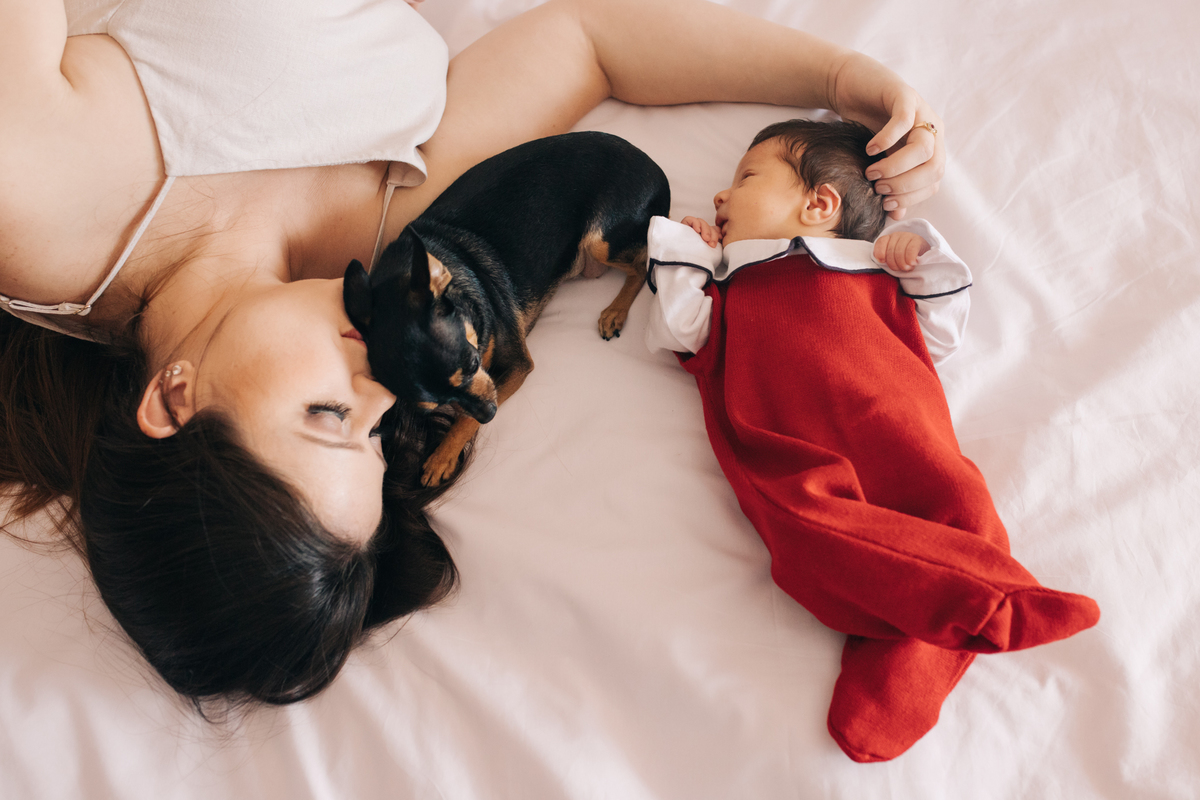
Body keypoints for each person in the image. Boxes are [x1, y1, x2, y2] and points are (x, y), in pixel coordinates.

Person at [0, 0, 948, 708]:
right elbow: (588, 39)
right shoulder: (413, 243)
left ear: (172, 401)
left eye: (327, 416)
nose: (380, 395)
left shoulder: (36, 203)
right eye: (375, 437)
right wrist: (841, 83)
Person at [643, 119, 1101, 762]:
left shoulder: (877, 273)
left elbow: (936, 337)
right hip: (792, 452)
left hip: (902, 427)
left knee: (963, 513)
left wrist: (922, 258)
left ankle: (931, 633)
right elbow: (677, 328)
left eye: (745, 179)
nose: (721, 196)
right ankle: (981, 601)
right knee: (814, 540)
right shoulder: (730, 290)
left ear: (820, 203)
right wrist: (685, 254)